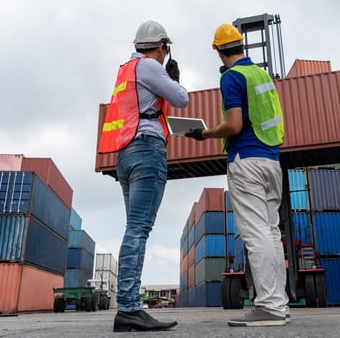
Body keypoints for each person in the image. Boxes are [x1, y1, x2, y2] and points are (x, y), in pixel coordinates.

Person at [185, 23, 289, 327]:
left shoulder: (232, 77)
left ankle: (268, 306)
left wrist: (203, 134)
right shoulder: (262, 75)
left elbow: (233, 124)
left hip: (247, 160)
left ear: (217, 50)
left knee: (256, 234)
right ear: (241, 46)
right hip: (272, 161)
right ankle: (279, 304)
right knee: (271, 233)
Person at [99, 20, 188, 332]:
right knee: (139, 229)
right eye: (165, 50)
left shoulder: (125, 68)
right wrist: (175, 79)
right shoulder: (151, 67)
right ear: (162, 46)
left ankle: (128, 307)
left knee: (133, 228)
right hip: (147, 148)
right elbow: (181, 100)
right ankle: (129, 308)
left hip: (125, 153)